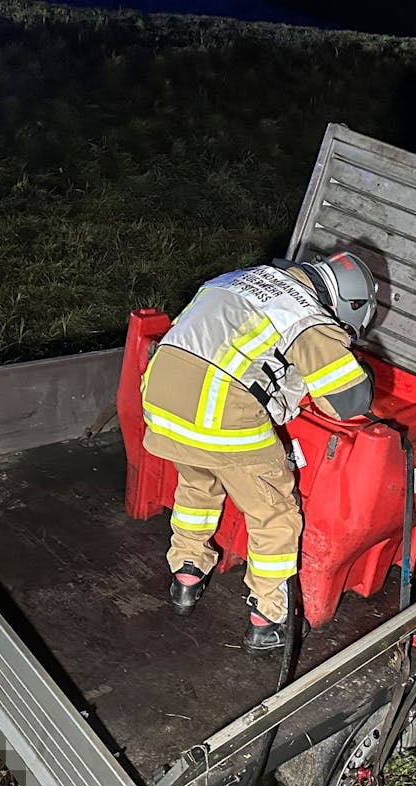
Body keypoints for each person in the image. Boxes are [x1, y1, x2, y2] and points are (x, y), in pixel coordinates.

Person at [140, 251, 378, 655]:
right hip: (217, 415)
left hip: (160, 402)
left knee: (199, 483)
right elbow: (349, 402)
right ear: (346, 306)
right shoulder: (306, 316)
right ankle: (268, 619)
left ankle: (185, 575)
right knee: (273, 512)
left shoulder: (237, 278)